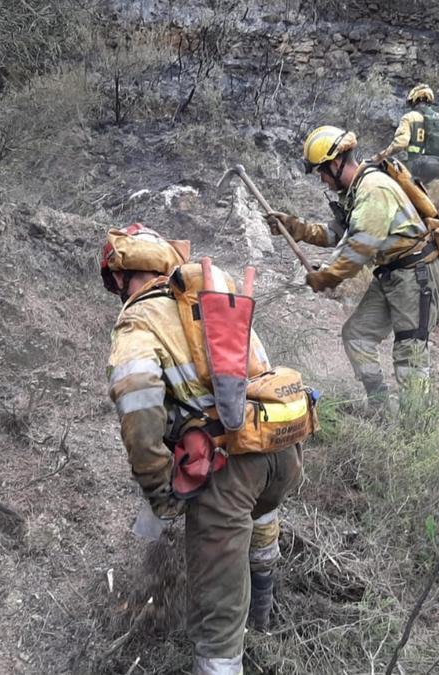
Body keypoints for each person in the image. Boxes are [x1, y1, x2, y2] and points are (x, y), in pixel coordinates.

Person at [101, 224, 303, 675]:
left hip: (230, 476)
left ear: (119, 277)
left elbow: (136, 399)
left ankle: (230, 650)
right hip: (282, 453)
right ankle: (264, 614)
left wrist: (159, 488)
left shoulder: (138, 322)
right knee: (260, 516)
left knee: (218, 619)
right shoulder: (214, 300)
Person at [267, 125, 439, 409]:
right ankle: (379, 407)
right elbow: (336, 234)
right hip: (391, 274)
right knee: (357, 335)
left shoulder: (373, 189)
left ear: (336, 163)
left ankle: (415, 434)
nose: (322, 180)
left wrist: (328, 276)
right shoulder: (355, 192)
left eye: (322, 172)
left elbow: (361, 246)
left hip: (416, 275)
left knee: (409, 355)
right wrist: (295, 227)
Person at [369, 83, 439, 183]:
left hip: (414, 171)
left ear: (414, 101)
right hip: (437, 173)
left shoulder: (409, 118)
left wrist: (381, 156)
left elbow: (400, 144)